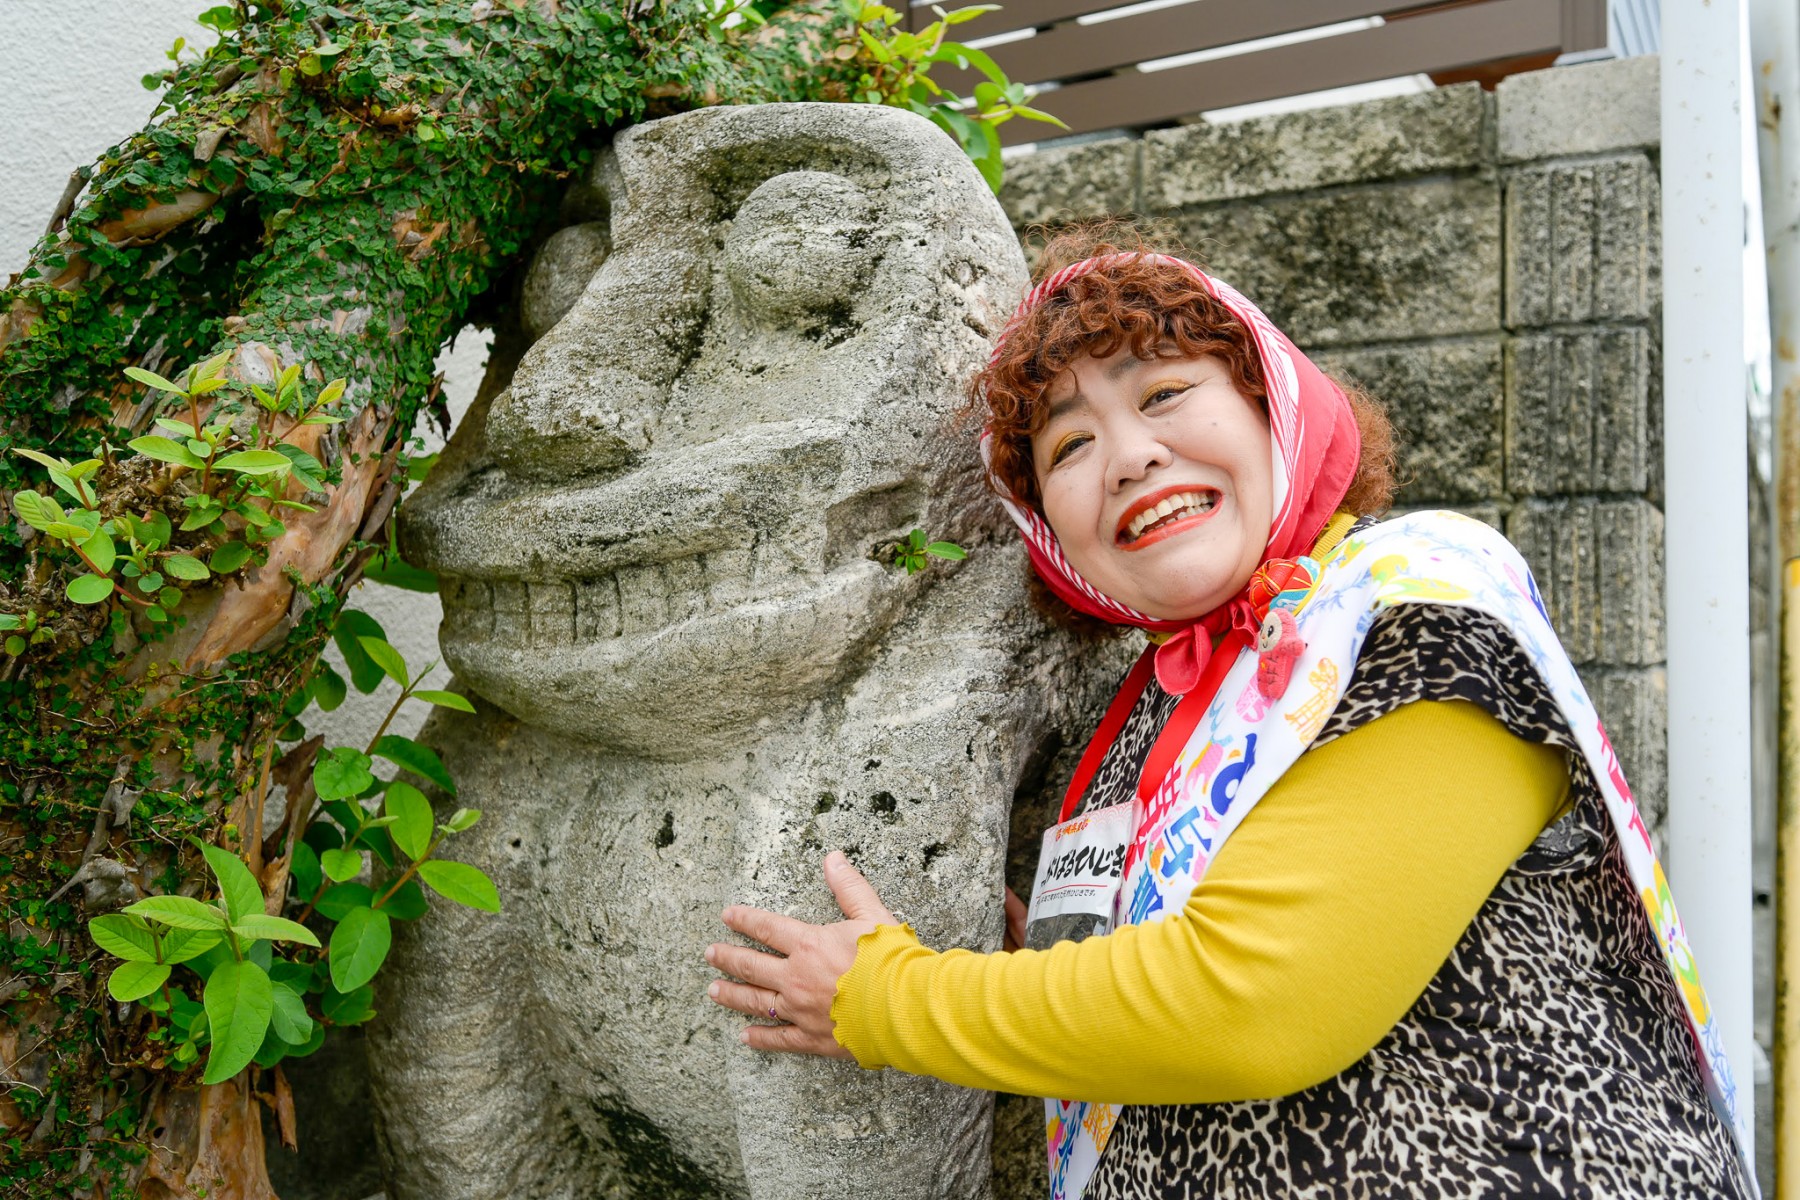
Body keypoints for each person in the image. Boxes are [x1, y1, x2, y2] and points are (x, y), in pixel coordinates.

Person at [703, 232, 1758, 1198]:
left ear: (1272, 404)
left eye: (1164, 392)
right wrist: (1042, 967)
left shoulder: (1415, 601)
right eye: (1068, 448)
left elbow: (1253, 999)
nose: (1128, 455)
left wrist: (884, 997)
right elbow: (1142, 992)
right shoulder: (1147, 710)